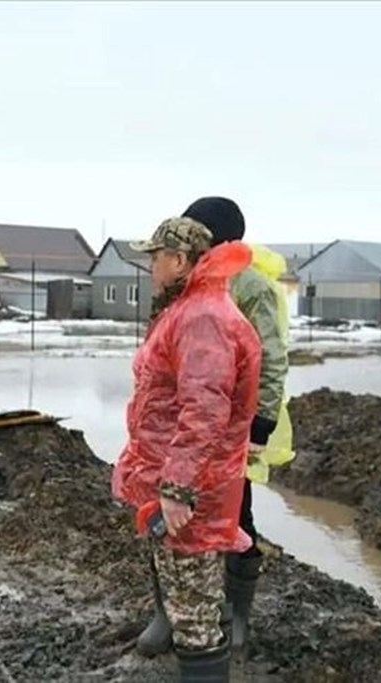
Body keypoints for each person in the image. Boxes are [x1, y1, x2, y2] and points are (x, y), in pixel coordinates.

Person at [136, 197, 293, 655]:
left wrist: (259, 428)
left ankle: (234, 614)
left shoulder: (248, 288)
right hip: (180, 432)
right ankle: (169, 612)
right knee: (164, 519)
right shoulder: (185, 284)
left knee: (234, 517)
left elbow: (271, 359)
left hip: (230, 431)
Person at [112, 216, 262, 682]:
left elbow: (204, 410)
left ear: (179, 261)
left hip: (191, 493)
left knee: (195, 615)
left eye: (155, 258)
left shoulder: (203, 318)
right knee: (186, 601)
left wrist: (177, 488)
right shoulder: (191, 307)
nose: (149, 268)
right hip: (175, 478)